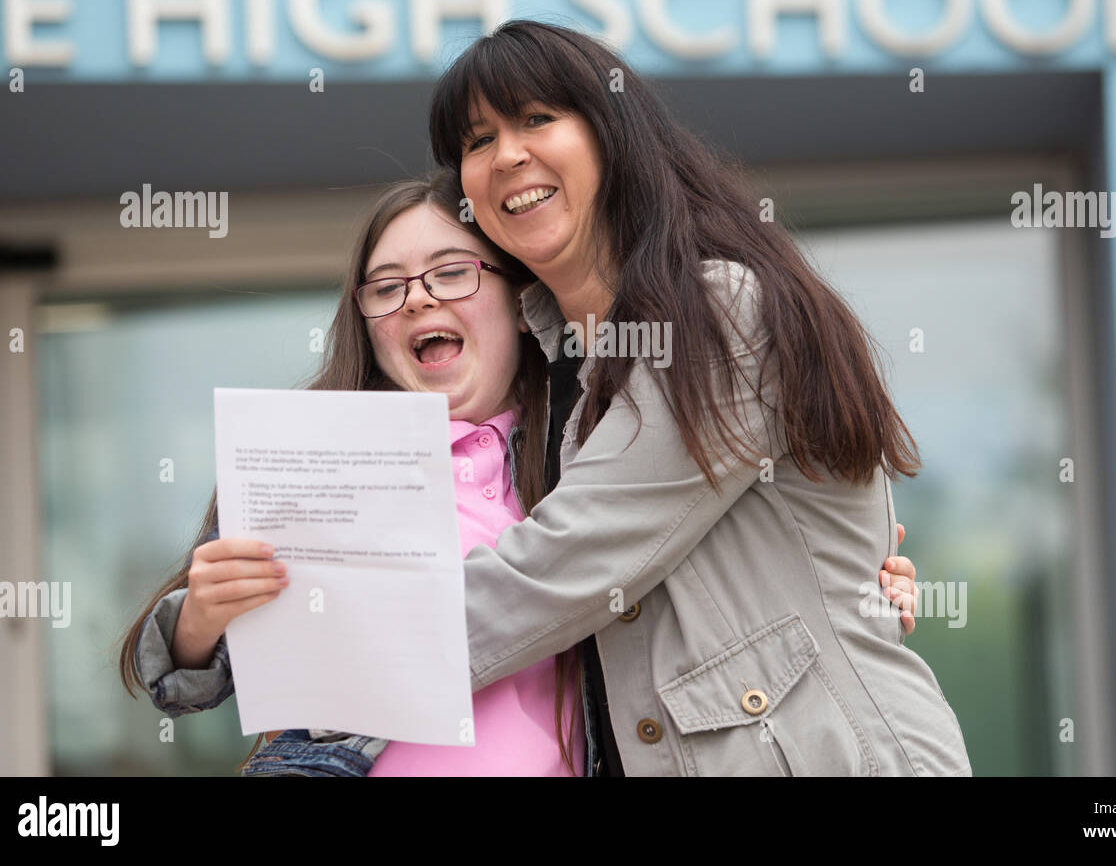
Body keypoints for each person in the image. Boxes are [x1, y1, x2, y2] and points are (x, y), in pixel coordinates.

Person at [117, 169, 924, 776]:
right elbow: (186, 670)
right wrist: (201, 622)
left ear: (517, 298)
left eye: (453, 273)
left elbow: (700, 582)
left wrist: (847, 587)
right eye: (387, 287)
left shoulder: (585, 458)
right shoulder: (320, 458)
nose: (419, 300)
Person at [419, 18, 972, 776]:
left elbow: (560, 566)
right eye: (477, 142)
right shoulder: (546, 373)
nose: (507, 154)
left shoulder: (718, 313)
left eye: (537, 119)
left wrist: (315, 652)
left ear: (614, 136)